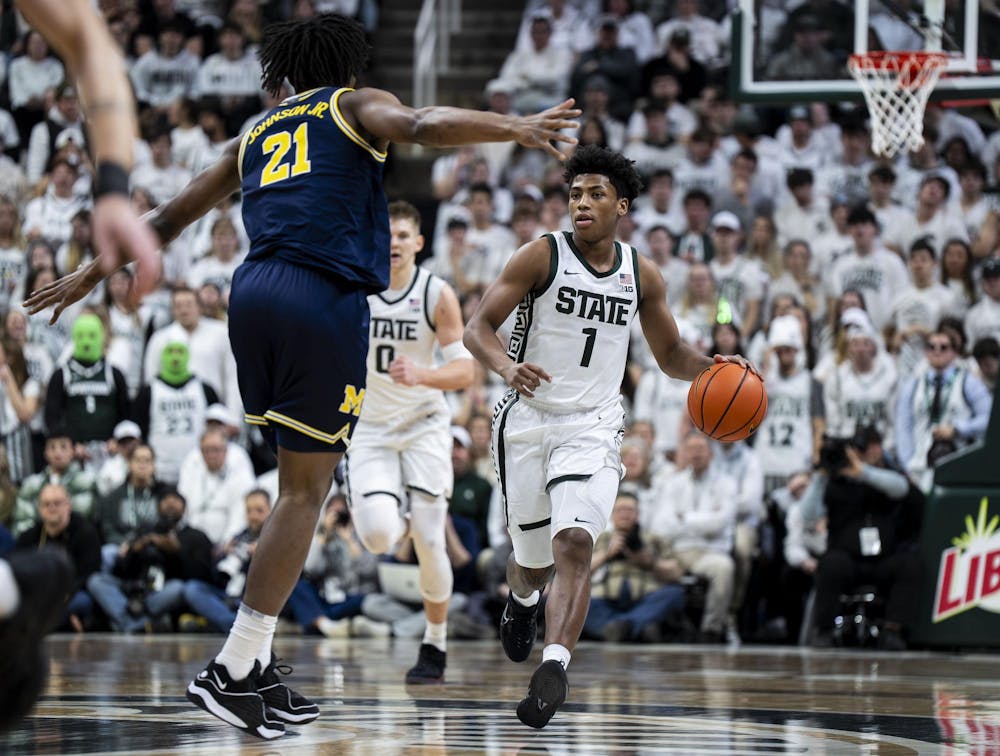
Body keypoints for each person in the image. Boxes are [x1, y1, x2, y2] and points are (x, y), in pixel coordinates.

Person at [26, 12, 580, 740]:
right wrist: (512, 127)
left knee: (297, 486)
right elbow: (418, 120)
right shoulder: (349, 106)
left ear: (282, 71)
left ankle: (252, 670)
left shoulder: (256, 133)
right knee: (304, 491)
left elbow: (166, 217)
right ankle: (232, 668)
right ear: (345, 65)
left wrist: (87, 274)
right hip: (320, 297)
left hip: (251, 293)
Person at [463, 145, 753, 728]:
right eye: (574, 194)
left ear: (622, 205)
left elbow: (669, 354)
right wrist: (504, 368)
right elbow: (477, 328)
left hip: (593, 424)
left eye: (595, 194)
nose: (582, 204)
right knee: (533, 563)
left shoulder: (640, 272)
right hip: (526, 420)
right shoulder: (538, 256)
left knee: (575, 542)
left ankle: (555, 664)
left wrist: (713, 369)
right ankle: (522, 600)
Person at [345, 199, 476, 684]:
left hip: (423, 423)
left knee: (428, 538)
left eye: (404, 234)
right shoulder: (358, 287)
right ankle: (384, 506)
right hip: (372, 427)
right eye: (388, 233)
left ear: (419, 243)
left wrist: (422, 373)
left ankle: (435, 645)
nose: (394, 242)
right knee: (378, 536)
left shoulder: (436, 293)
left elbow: (465, 370)